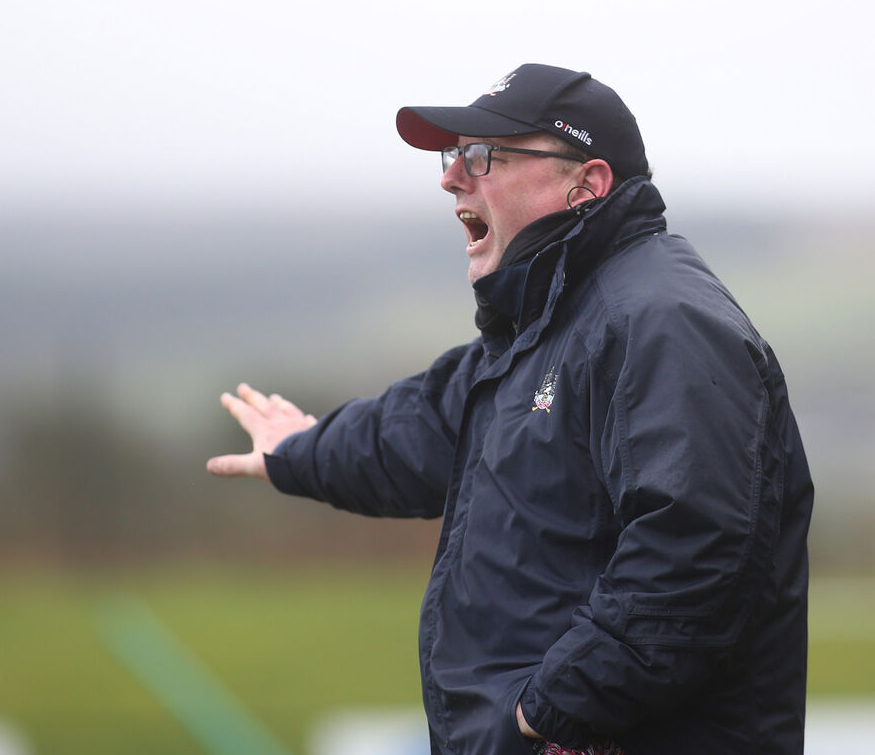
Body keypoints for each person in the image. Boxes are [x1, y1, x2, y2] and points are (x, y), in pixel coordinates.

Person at [207, 64, 814, 755]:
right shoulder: (546, 327)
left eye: (482, 157)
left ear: (585, 185)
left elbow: (695, 551)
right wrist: (302, 449)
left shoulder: (662, 320)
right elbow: (416, 429)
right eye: (454, 155)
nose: (451, 178)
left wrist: (548, 711)